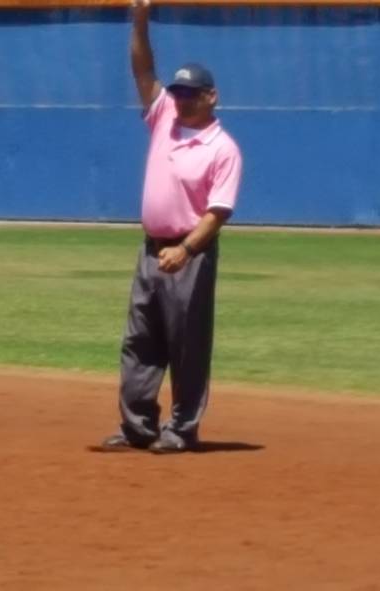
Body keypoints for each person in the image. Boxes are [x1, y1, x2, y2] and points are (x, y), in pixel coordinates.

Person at [100, 0, 244, 454]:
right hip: (149, 249)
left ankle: (182, 429)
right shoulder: (164, 119)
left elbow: (217, 213)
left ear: (211, 96)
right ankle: (138, 426)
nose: (180, 100)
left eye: (190, 94)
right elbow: (143, 73)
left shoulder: (223, 148)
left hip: (190, 254)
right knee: (140, 340)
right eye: (178, 93)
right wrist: (139, 20)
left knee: (187, 344)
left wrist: (185, 249)